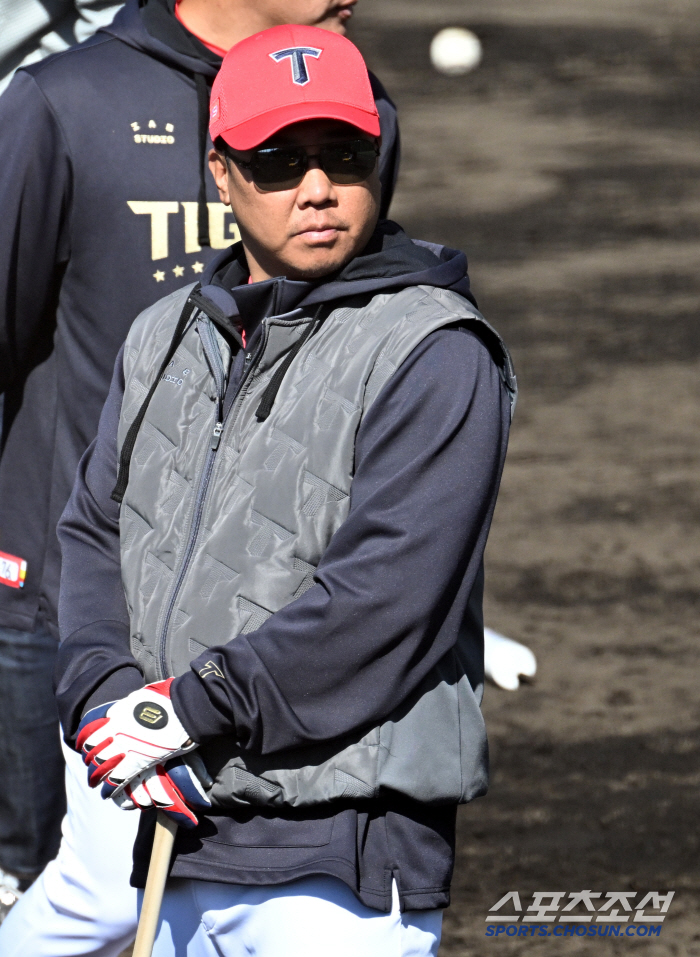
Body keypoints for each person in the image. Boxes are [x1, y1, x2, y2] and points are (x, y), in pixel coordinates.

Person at [54, 24, 516, 956]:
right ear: (220, 173)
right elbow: (95, 531)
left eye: (342, 156)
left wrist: (184, 708)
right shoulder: (162, 336)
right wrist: (108, 696)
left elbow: (383, 598)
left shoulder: (435, 349)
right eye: (278, 161)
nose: (316, 188)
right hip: (176, 840)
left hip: (337, 866)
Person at [0, 0, 398, 940]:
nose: (318, 183)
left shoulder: (359, 100)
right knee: (49, 888)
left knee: (199, 906)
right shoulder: (63, 103)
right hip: (64, 598)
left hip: (266, 617)